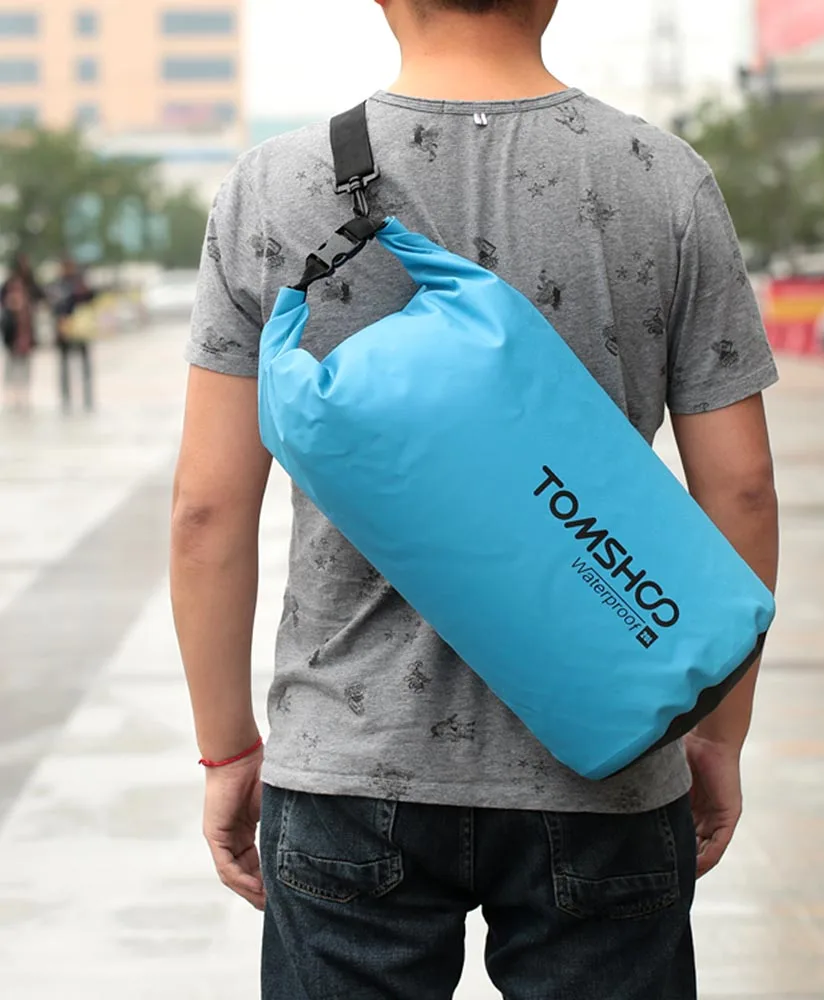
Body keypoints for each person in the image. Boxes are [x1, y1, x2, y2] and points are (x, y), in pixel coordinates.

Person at [171, 2, 780, 997]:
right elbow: (741, 488)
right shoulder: (662, 176)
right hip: (614, 755)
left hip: (349, 760)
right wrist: (717, 729)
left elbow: (206, 512)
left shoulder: (272, 187)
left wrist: (226, 748)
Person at [50, 256, 96, 413]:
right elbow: (56, 306)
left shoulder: (79, 283)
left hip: (79, 328)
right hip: (65, 329)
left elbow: (90, 298)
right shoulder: (59, 284)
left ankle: (87, 396)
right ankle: (66, 398)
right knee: (65, 366)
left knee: (84, 364)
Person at [1, 253, 43, 413]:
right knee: (12, 363)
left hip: (26, 329)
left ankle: (24, 393)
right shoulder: (8, 284)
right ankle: (11, 394)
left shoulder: (30, 284)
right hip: (12, 329)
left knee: (25, 363)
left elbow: (41, 298)